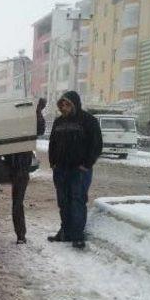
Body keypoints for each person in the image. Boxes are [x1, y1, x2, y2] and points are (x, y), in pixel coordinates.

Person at [47, 91, 102, 249]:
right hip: (61, 169)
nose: (64, 107)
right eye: (62, 104)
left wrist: (87, 164)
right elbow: (52, 143)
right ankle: (65, 232)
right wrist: (53, 163)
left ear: (75, 104)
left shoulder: (88, 121)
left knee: (77, 201)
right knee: (63, 202)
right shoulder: (59, 122)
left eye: (67, 104)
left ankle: (77, 235)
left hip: (79, 171)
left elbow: (96, 145)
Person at [5, 152, 32, 244]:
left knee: (17, 204)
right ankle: (21, 235)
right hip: (19, 171)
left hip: (19, 171)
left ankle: (21, 234)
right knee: (18, 204)